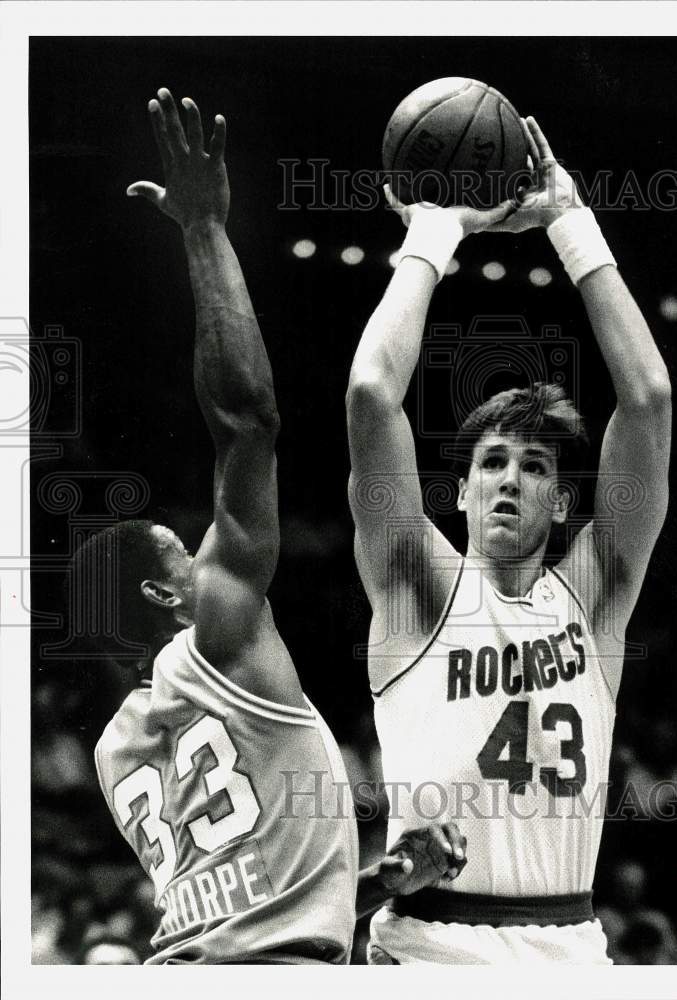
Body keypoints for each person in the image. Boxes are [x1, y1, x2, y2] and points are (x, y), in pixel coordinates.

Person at [84, 89, 466, 965]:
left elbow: (243, 918)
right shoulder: (215, 640)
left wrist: (382, 879)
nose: (203, 545)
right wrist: (205, 229)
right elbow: (247, 422)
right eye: (185, 549)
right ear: (163, 591)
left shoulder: (119, 750)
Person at [346, 116, 671, 964]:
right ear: (459, 490)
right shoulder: (415, 585)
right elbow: (372, 396)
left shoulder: (594, 592)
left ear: (561, 503)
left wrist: (569, 220)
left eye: (532, 466)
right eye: (491, 462)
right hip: (427, 943)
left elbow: (648, 401)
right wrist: (435, 232)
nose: (509, 478)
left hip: (569, 945)